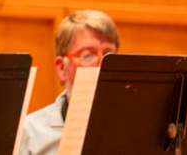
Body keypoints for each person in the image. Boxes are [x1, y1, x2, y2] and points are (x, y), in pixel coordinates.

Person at [19, 9, 120, 155]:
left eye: (108, 55)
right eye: (88, 55)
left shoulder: (134, 125)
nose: (101, 65)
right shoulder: (30, 131)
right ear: (61, 68)